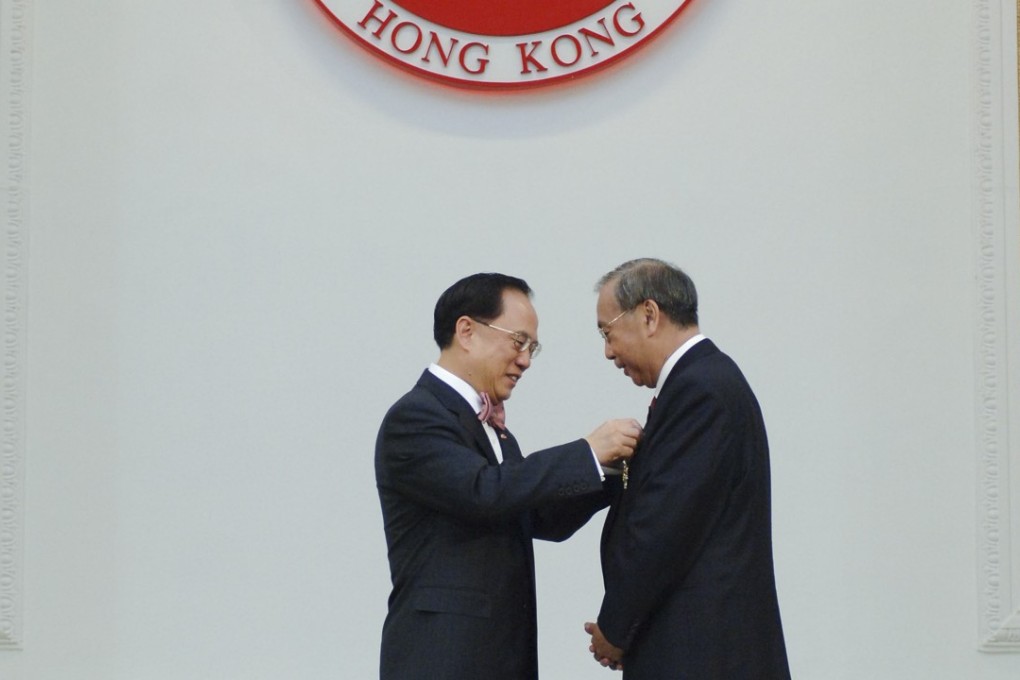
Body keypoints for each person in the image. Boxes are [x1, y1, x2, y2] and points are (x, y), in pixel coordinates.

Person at [376, 272, 643, 680]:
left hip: (499, 657)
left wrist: (611, 469)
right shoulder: (416, 416)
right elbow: (484, 492)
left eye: (532, 347)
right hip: (442, 659)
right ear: (466, 331)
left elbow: (539, 517)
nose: (525, 360)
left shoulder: (493, 428)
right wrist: (587, 451)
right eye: (518, 342)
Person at [585, 258, 791, 678]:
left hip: (702, 653)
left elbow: (663, 528)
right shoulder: (704, 381)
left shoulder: (700, 390)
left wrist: (615, 627)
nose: (608, 352)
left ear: (648, 315)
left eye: (608, 332)